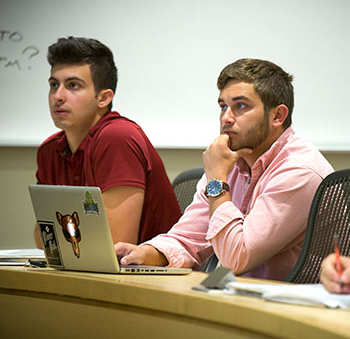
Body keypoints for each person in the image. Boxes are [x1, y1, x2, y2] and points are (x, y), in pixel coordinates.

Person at [115, 58, 334, 281]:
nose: (226, 118)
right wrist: (147, 253)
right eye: (223, 106)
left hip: (293, 308)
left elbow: (236, 257)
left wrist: (217, 178)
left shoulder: (299, 170)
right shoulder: (232, 161)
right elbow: (189, 236)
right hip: (244, 300)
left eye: (240, 106)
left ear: (278, 116)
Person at [33, 36, 181, 247]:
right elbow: (44, 241)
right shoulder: (50, 151)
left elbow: (116, 246)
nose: (58, 96)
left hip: (149, 275)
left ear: (104, 98)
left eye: (73, 85)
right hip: (86, 272)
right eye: (54, 84)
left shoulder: (117, 138)